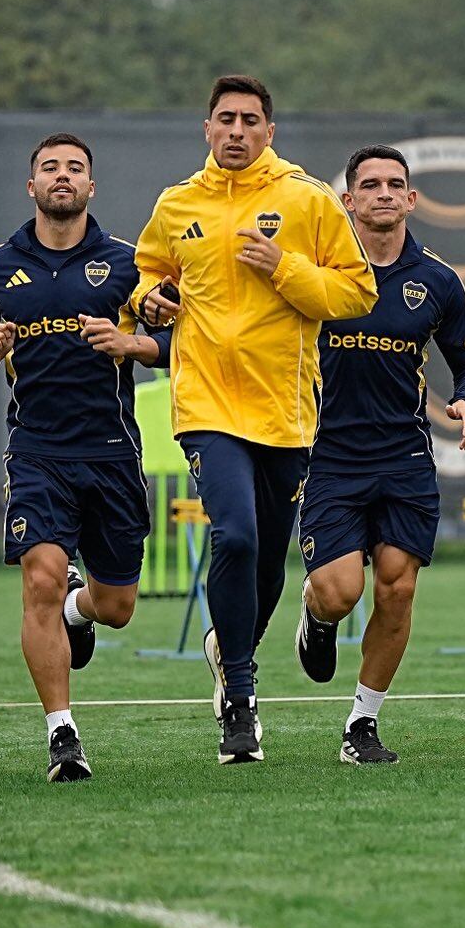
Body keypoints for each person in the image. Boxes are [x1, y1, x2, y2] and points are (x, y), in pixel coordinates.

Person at [134, 75, 377, 763]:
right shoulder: (179, 202)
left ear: (270, 131)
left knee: (268, 557)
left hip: (286, 410)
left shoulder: (307, 200)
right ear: (206, 129)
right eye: (225, 120)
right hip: (206, 403)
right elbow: (147, 271)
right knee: (234, 537)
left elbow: (356, 292)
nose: (237, 131)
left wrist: (286, 267)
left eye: (250, 120)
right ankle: (239, 699)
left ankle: (226, 645)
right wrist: (152, 299)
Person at [0, 133, 167, 781]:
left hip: (110, 452)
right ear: (32, 186)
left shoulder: (127, 264)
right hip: (37, 449)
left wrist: (131, 345)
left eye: (75, 168)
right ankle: (62, 734)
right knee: (40, 578)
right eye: (50, 168)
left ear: (91, 187)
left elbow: (175, 338)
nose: (63, 177)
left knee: (118, 607)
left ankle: (82, 609)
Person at [295, 146, 465, 766]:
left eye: (395, 184)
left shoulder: (438, 280)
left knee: (398, 588)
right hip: (328, 458)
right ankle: (316, 619)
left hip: (405, 459)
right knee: (338, 590)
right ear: (347, 200)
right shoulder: (315, 272)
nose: (383, 193)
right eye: (369, 184)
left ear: (411, 199)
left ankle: (362, 723)